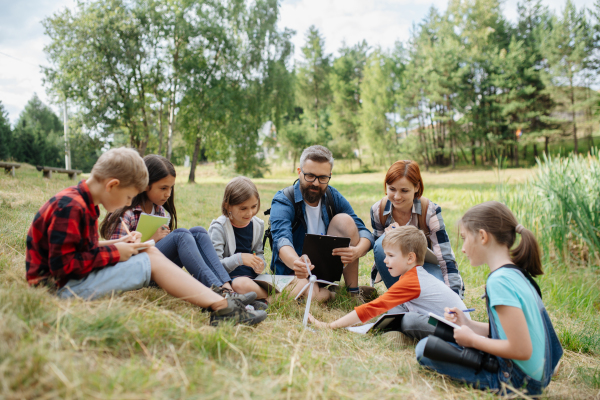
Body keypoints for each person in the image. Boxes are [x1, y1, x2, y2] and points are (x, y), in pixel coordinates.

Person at [25, 147, 267, 326]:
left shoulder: (80, 201)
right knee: (149, 256)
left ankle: (223, 302)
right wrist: (116, 252)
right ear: (113, 185)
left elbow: (83, 248)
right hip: (57, 289)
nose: (129, 203)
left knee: (150, 250)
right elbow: (63, 267)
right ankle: (223, 305)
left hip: (69, 282)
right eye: (130, 197)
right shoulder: (72, 207)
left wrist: (115, 243)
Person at [415, 201, 563, 396]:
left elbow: (521, 349)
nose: (463, 248)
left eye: (465, 238)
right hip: (535, 377)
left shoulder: (499, 282)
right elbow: (512, 331)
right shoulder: (516, 274)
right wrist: (468, 323)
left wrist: (473, 340)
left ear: (483, 236)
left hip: (517, 381)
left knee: (424, 348)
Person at [100, 155, 241, 301]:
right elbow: (116, 260)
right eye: (163, 188)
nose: (168, 193)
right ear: (145, 185)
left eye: (170, 188)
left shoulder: (160, 211)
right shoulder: (126, 213)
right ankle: (218, 292)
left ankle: (227, 288)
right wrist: (153, 240)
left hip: (159, 269)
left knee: (198, 232)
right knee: (180, 235)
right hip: (135, 272)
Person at [308, 226, 469, 343]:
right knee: (394, 311)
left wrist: (330, 325)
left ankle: (403, 338)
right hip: (450, 323)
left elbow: (372, 308)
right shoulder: (413, 275)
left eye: (391, 255)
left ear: (410, 258)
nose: (385, 261)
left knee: (406, 320)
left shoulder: (412, 281)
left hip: (455, 330)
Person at [268, 145, 376, 302]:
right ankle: (335, 294)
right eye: (310, 176)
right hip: (295, 271)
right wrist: (296, 262)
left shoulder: (333, 196)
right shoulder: (284, 200)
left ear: (330, 175)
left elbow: (364, 231)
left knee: (345, 220)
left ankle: (353, 293)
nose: (316, 183)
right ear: (299, 172)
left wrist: (357, 251)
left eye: (323, 178)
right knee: (309, 294)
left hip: (325, 269)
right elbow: (281, 240)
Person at [370, 160, 464, 298]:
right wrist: (390, 241)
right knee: (382, 241)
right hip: (396, 268)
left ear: (416, 187)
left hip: (425, 266)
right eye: (392, 189)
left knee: (437, 296)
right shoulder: (378, 210)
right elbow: (379, 252)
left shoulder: (430, 211)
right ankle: (402, 299)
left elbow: (445, 256)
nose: (396, 197)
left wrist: (455, 296)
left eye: (404, 190)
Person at [209, 177, 268, 310]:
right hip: (233, 281)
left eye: (254, 206)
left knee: (299, 281)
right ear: (227, 205)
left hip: (254, 279)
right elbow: (215, 266)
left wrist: (261, 264)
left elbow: (258, 252)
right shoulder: (219, 228)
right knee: (241, 284)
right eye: (243, 208)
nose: (250, 213)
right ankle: (270, 297)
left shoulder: (257, 225)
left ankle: (261, 297)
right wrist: (239, 259)